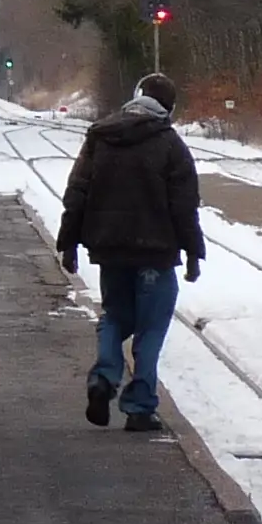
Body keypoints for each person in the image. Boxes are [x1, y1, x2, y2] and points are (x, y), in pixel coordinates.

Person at [53, 69, 203, 433]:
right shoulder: (171, 146)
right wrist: (194, 253)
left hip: (110, 250)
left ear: (136, 97)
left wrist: (68, 241)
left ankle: (103, 378)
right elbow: (184, 206)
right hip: (156, 253)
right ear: (168, 107)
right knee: (151, 328)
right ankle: (139, 407)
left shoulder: (100, 137)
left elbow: (78, 192)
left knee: (116, 315)